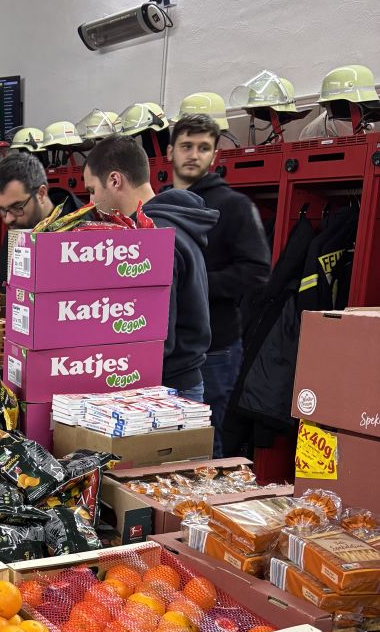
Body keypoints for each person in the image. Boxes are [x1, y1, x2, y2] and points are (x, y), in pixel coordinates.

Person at [83, 136, 218, 401]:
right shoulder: (174, 225)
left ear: (114, 180)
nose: (90, 202)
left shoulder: (151, 240)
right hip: (184, 380)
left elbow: (154, 336)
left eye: (92, 189)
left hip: (166, 388)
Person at [166, 116, 271, 453]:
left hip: (216, 350)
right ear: (170, 151)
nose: (194, 155)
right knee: (167, 441)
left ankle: (209, 505)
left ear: (214, 156)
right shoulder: (159, 205)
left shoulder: (234, 206)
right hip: (168, 348)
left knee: (209, 442)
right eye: (186, 146)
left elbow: (256, 272)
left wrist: (194, 283)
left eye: (203, 148)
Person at [0, 153, 81, 290]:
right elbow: (3, 286)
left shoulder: (79, 231)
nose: (8, 219)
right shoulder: (18, 229)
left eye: (16, 207)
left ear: (41, 194)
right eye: (2, 209)